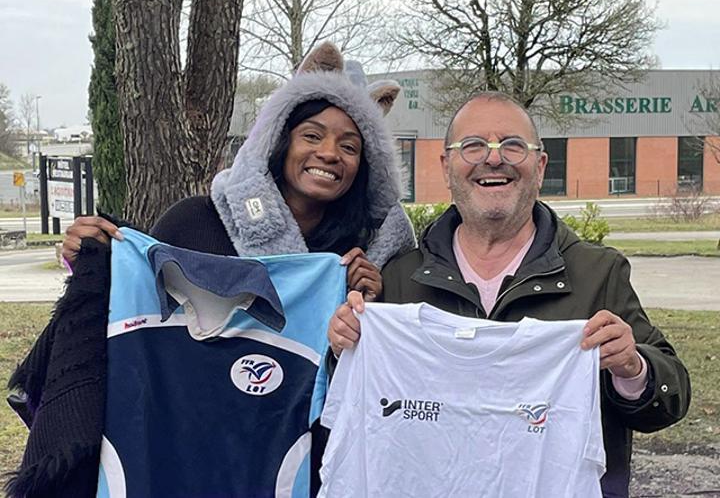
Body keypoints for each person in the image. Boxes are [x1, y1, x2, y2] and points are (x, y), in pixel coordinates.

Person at [8, 41, 416, 497]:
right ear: (280, 139)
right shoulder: (196, 220)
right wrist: (92, 263)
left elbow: (368, 402)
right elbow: (135, 301)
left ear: (366, 165)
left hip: (285, 468)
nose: (329, 153)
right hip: (175, 451)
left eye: (350, 146)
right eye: (312, 135)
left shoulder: (360, 257)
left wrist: (369, 311)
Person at [327, 91, 691, 498]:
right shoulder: (399, 279)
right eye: (473, 146)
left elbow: (669, 400)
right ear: (446, 167)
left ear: (540, 166)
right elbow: (360, 408)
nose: (494, 158)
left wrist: (633, 368)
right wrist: (345, 348)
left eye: (513, 145)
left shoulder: (598, 274)